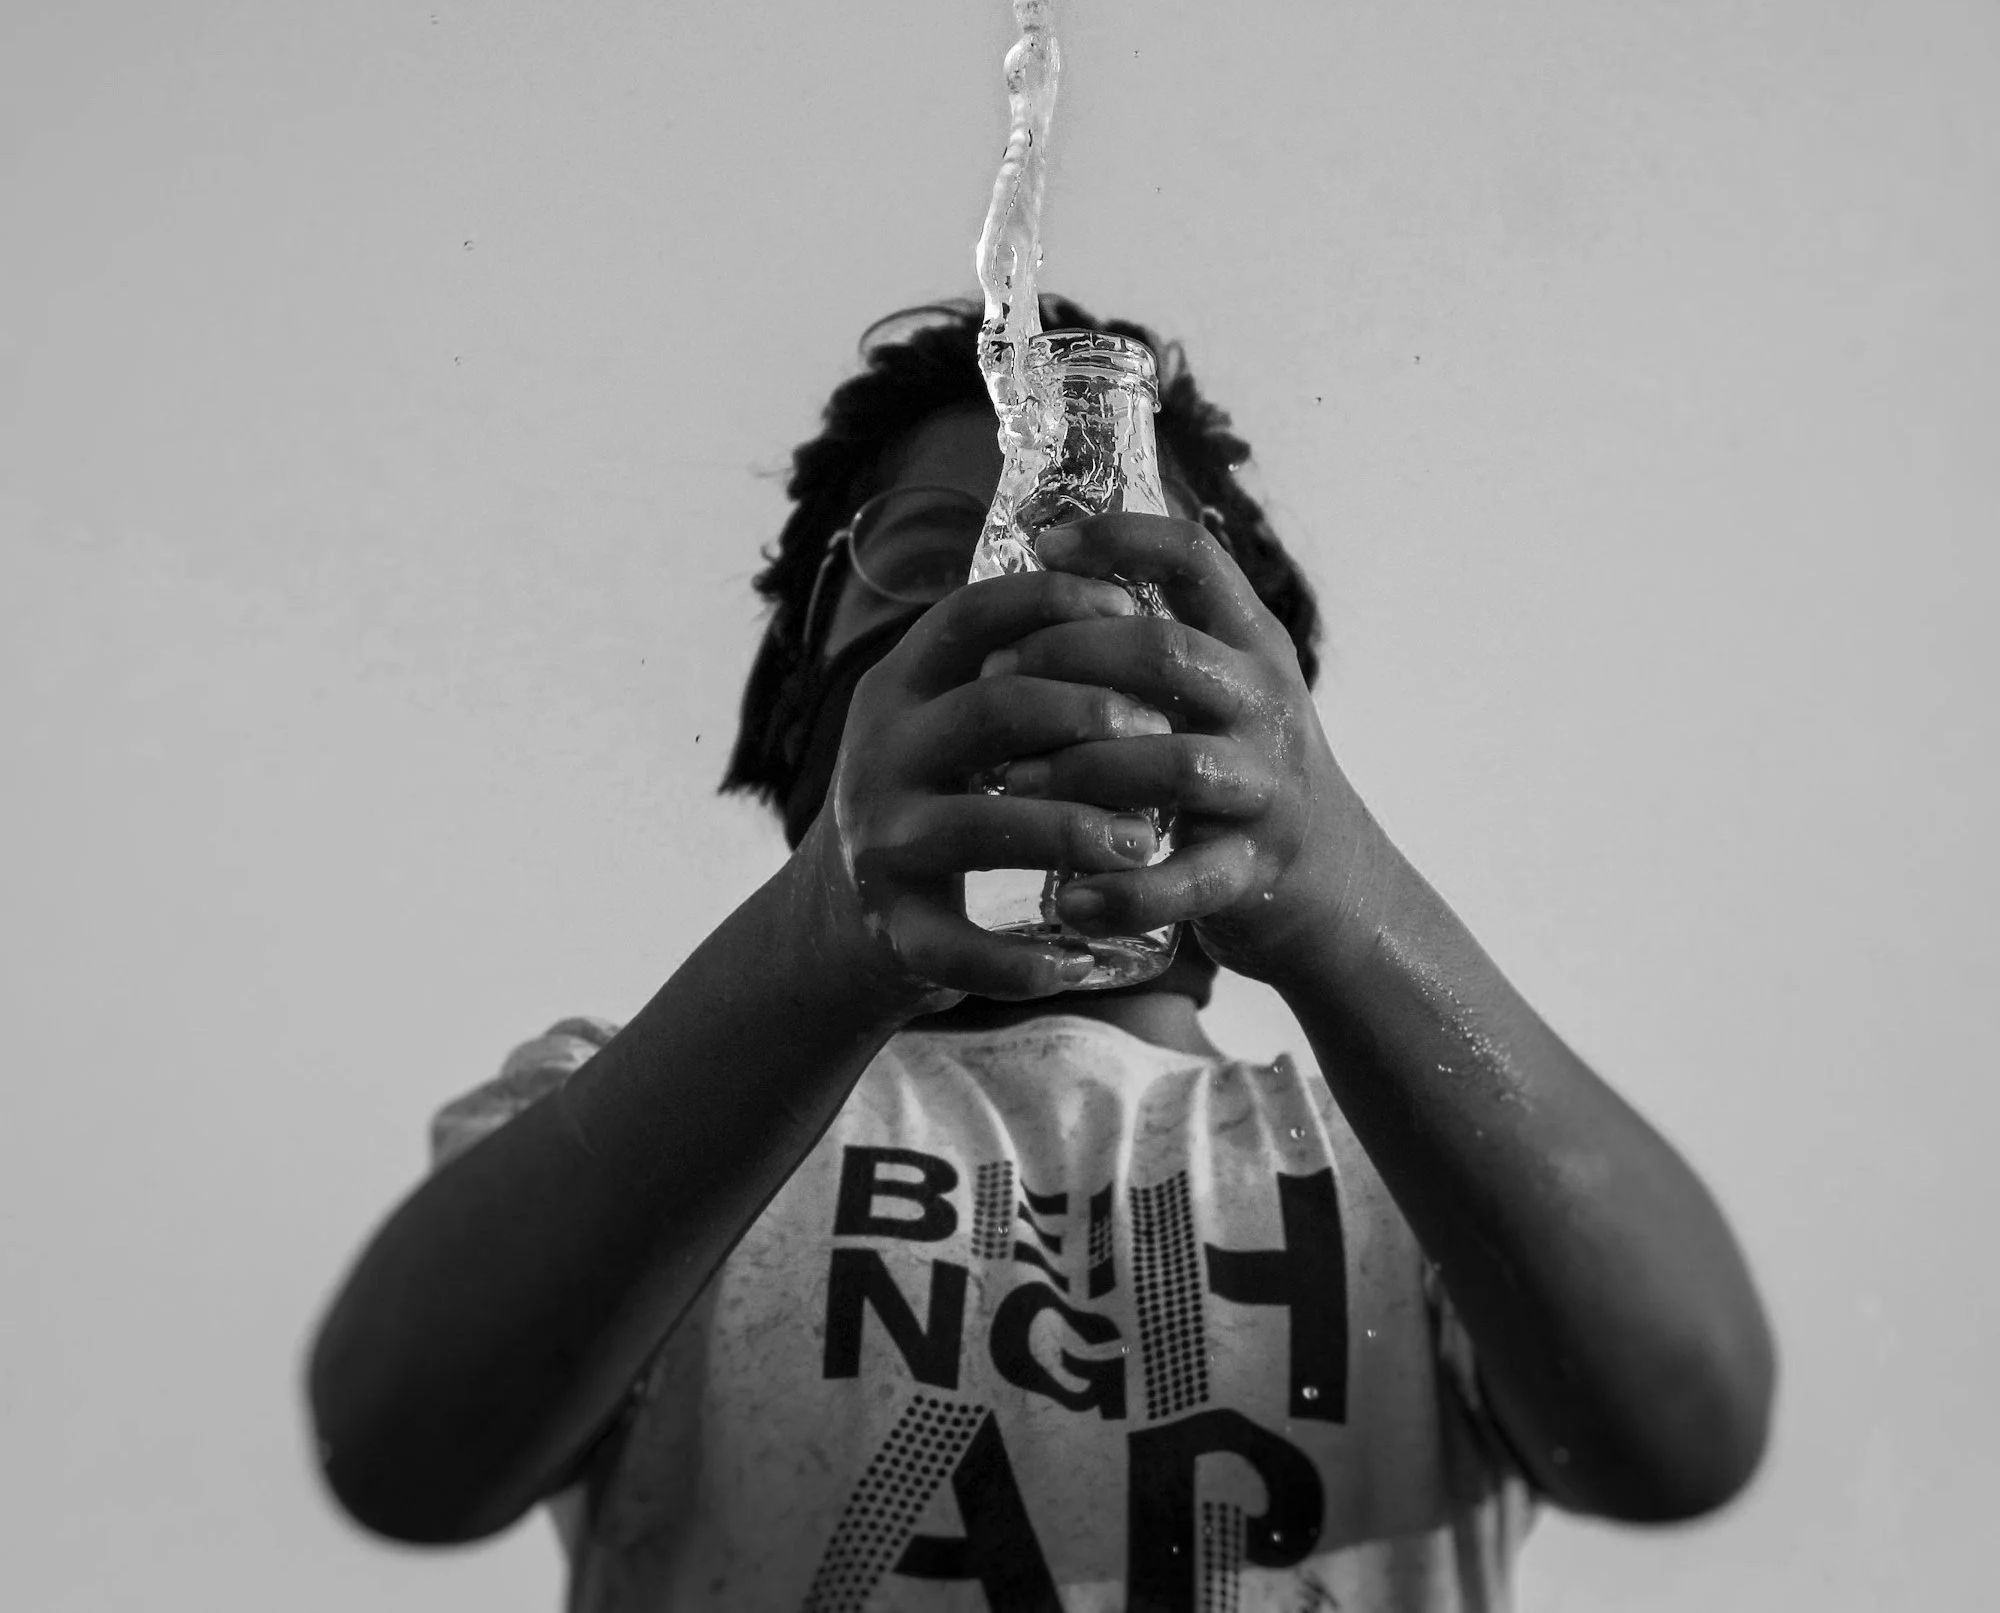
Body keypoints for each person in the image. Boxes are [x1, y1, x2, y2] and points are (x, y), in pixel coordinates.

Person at [307, 295, 1775, 1610]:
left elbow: (1684, 1431)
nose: (1008, 613)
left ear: (1253, 711)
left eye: (1129, 583)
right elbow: (404, 1450)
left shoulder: (1410, 1165)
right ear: (813, 702)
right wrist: (822, 942)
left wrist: (1341, 897)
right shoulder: (654, 1118)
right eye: (932, 560)